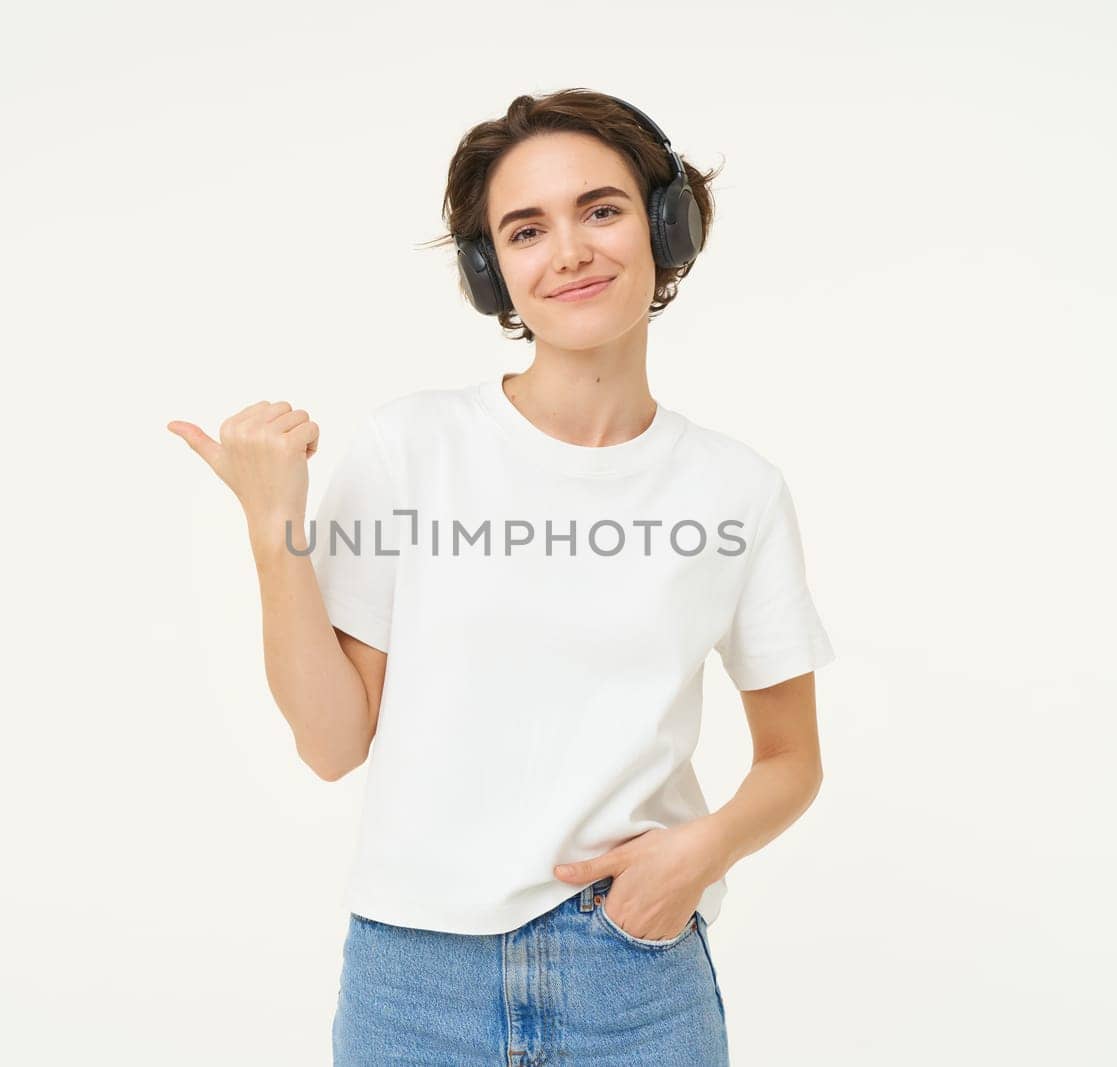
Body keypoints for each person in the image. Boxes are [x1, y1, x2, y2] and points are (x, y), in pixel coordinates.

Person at [168, 88, 837, 1066]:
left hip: (635, 974)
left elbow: (791, 759)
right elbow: (329, 740)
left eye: (600, 209)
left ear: (666, 225)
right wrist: (274, 524)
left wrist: (698, 852)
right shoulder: (412, 448)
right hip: (413, 983)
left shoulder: (736, 488)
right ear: (492, 272)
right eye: (525, 229)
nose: (567, 250)